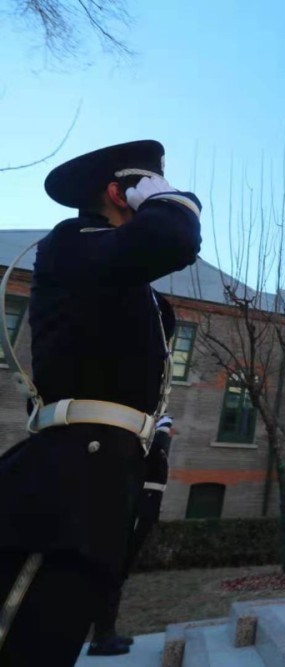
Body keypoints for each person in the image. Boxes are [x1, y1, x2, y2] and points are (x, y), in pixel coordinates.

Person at [0, 140, 200, 666]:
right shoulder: (72, 241)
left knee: (57, 630)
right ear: (120, 191)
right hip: (72, 469)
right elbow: (172, 238)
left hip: (107, 465)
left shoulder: (118, 277)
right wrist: (174, 200)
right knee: (22, 632)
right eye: (146, 187)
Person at [88, 414, 176, 656]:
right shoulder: (146, 452)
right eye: (165, 433)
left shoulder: (152, 453)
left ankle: (107, 632)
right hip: (135, 513)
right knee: (114, 574)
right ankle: (102, 637)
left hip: (143, 514)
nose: (167, 438)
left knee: (119, 575)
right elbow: (155, 455)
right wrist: (159, 430)